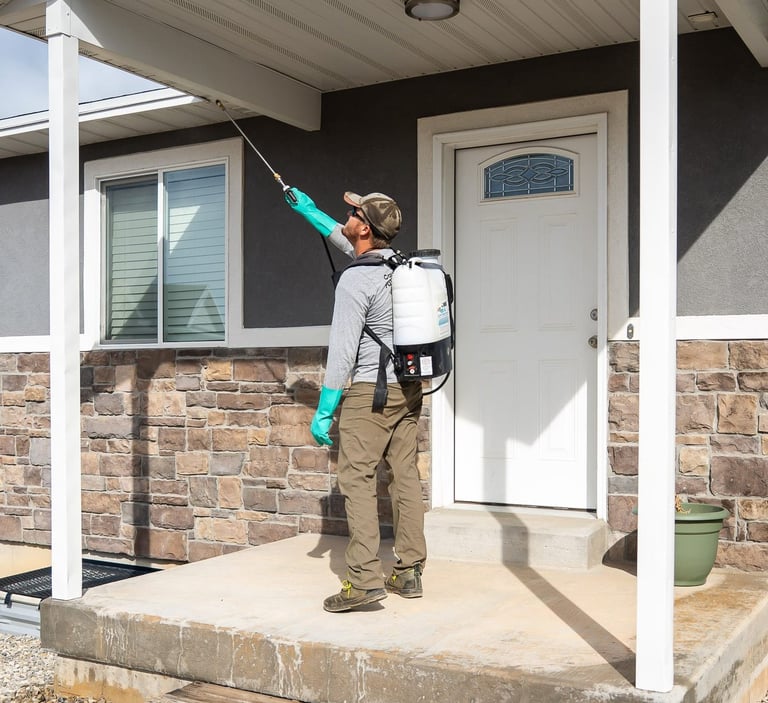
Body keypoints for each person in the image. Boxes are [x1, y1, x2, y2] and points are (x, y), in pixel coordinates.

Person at [287, 187, 426, 613]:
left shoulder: (355, 280)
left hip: (371, 392)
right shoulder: (398, 265)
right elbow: (347, 242)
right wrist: (310, 212)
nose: (346, 216)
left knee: (356, 480)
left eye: (354, 213)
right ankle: (409, 571)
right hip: (408, 388)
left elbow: (343, 351)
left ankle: (364, 580)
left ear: (365, 228)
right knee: (404, 474)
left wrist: (324, 410)